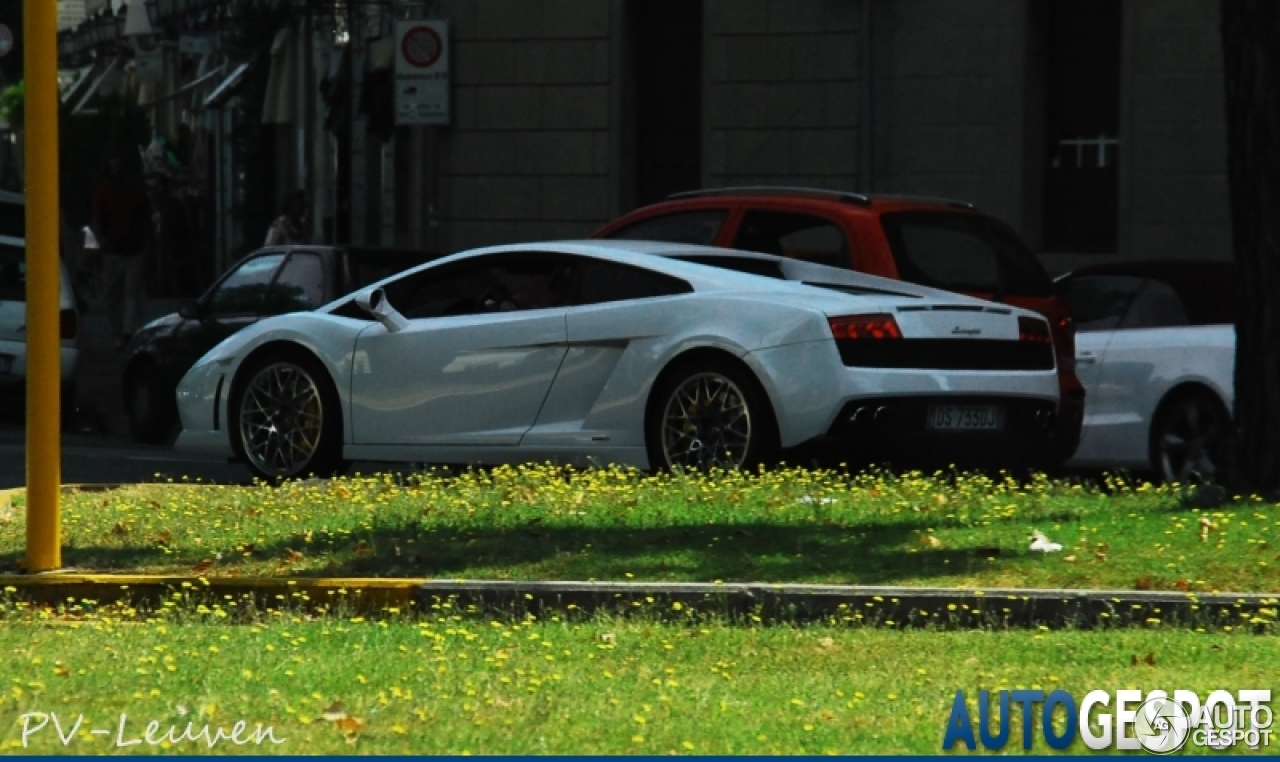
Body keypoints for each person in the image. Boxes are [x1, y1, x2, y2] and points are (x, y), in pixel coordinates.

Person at [90, 157, 154, 349]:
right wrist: (102, 243)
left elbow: (146, 220)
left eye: (119, 167)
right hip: (114, 250)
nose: (117, 171)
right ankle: (119, 332)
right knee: (114, 294)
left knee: (130, 291)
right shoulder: (105, 193)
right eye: (114, 167)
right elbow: (97, 219)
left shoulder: (136, 193)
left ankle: (127, 331)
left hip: (132, 249)